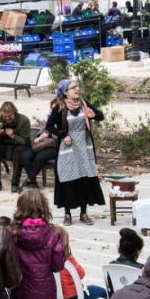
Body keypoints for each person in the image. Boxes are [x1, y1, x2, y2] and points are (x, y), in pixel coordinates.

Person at [44, 79, 105, 225]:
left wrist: (93, 116)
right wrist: (63, 135)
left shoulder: (84, 103)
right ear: (66, 92)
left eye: (77, 86)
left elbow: (100, 115)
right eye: (73, 88)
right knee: (68, 179)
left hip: (84, 145)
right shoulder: (60, 107)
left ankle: (84, 213)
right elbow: (49, 126)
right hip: (68, 147)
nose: (77, 89)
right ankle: (67, 214)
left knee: (84, 178)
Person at [10, 189, 65, 299]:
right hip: (45, 290)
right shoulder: (53, 233)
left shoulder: (13, 233)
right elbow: (57, 265)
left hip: (21, 289)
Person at [55, 225, 107, 299]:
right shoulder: (68, 260)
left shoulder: (47, 259)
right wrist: (71, 258)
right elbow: (82, 274)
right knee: (102, 291)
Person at [0, 101, 31, 193]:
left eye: (10, 116)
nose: (7, 118)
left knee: (18, 152)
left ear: (14, 112)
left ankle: (15, 183)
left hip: (19, 145)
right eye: (5, 116)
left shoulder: (23, 120)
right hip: (3, 144)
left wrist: (13, 136)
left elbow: (24, 141)